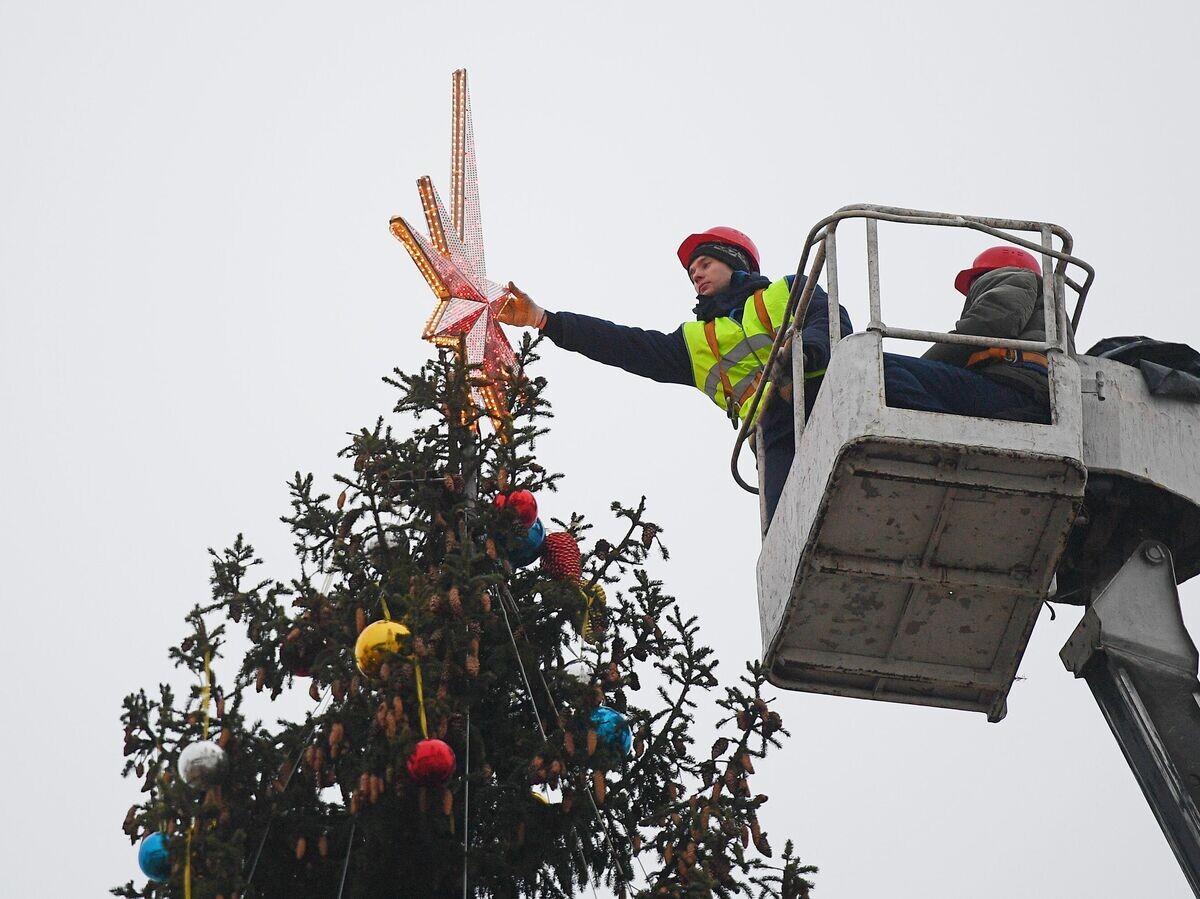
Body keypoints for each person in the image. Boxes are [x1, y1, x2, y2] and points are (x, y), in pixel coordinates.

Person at [497, 226, 853, 525]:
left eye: (705, 263)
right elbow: (624, 344)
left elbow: (830, 322)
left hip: (829, 392)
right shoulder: (695, 344)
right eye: (691, 272)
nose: (696, 274)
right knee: (789, 528)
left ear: (735, 263)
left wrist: (801, 359)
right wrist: (545, 320)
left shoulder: (785, 290)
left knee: (885, 370)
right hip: (776, 434)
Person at [882, 245, 1051, 423]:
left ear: (985, 274)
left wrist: (922, 366)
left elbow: (986, 326)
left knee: (877, 366)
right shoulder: (1048, 310)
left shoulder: (1016, 278)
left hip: (1013, 390)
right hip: (1030, 395)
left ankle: (934, 428)